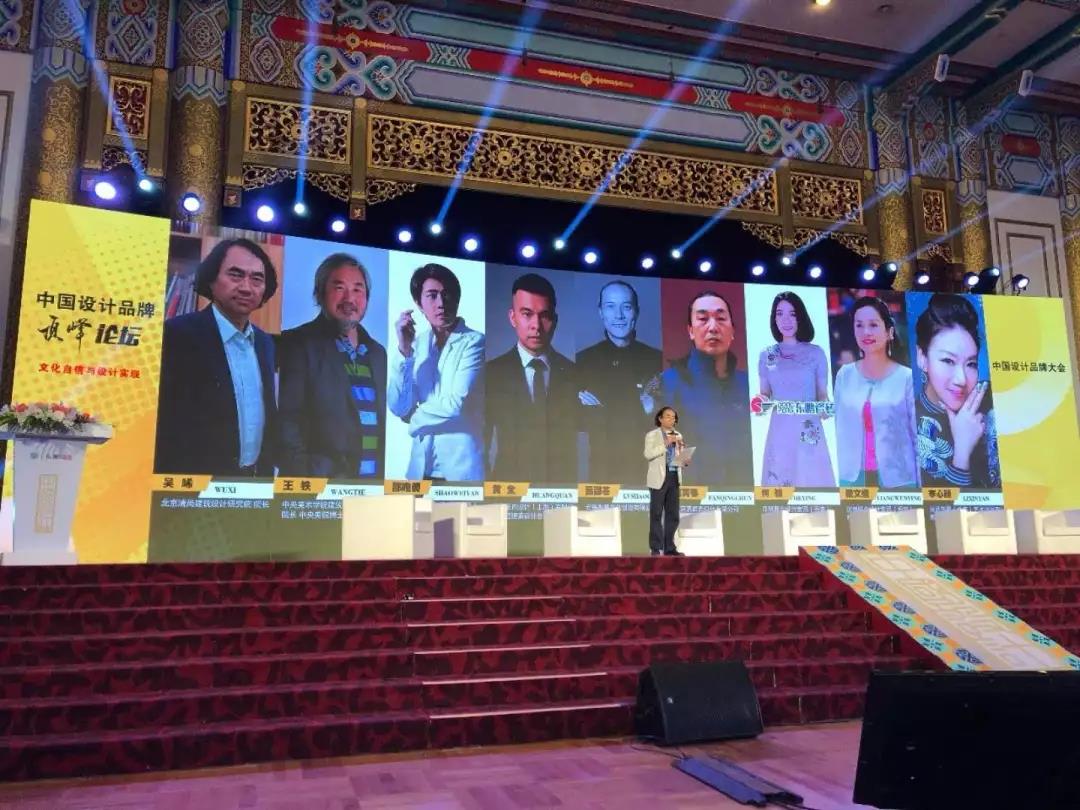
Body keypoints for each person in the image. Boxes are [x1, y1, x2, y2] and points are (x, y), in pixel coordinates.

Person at [154, 238, 278, 477]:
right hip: (194, 481)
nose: (246, 287)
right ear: (211, 279)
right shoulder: (176, 335)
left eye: (257, 279)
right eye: (236, 275)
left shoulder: (264, 343)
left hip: (253, 479)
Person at [277, 253, 387, 478]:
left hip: (373, 489)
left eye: (357, 289)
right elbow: (286, 420)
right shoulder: (297, 343)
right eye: (339, 288)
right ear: (319, 293)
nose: (349, 298)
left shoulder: (378, 353)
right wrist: (308, 474)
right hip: (319, 487)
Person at [388, 263, 484, 480]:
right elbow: (399, 406)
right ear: (419, 304)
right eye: (432, 296)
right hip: (420, 468)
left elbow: (456, 404)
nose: (441, 303)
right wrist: (404, 350)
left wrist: (413, 418)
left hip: (461, 470)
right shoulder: (417, 344)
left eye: (447, 294)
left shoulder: (475, 342)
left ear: (457, 299)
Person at [485, 273, 577, 483]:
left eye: (544, 315)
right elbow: (480, 443)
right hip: (505, 491)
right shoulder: (491, 373)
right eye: (527, 314)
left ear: (555, 320)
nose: (536, 325)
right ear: (512, 318)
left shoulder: (575, 374)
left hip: (563, 491)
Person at [655, 290, 751, 488]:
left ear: (733, 330)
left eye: (721, 319)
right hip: (690, 495)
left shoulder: (749, 385)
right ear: (690, 331)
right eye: (703, 319)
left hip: (745, 495)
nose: (713, 327)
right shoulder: (667, 384)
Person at [576, 280, 661, 484]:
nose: (619, 315)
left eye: (626, 307)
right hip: (601, 477)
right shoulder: (582, 362)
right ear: (600, 312)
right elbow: (580, 421)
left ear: (636, 312)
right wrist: (641, 408)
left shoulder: (658, 360)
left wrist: (603, 408)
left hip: (649, 476)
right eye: (610, 307)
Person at [914, 294, 999, 489]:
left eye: (971, 364)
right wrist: (962, 451)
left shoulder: (994, 401)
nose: (961, 380)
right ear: (922, 358)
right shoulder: (905, 419)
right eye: (948, 361)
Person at [833, 297, 918, 488]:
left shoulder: (906, 377)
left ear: (890, 332)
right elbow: (836, 426)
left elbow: (917, 436)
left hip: (900, 480)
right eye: (859, 325)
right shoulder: (845, 375)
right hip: (850, 479)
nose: (866, 332)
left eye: (873, 325)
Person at [756, 291, 835, 487]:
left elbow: (822, 395)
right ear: (774, 318)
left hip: (808, 428)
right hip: (780, 429)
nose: (786, 320)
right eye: (780, 313)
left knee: (811, 483)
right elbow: (765, 394)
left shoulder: (816, 353)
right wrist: (759, 403)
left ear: (800, 317)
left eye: (792, 314)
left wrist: (826, 408)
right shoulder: (767, 355)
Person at [644, 406, 686, 556]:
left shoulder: (678, 435)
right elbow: (648, 454)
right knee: (656, 513)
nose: (671, 419)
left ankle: (670, 548)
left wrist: (684, 459)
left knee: (673, 514)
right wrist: (665, 443)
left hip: (674, 476)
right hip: (659, 478)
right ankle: (655, 548)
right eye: (668, 416)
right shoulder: (652, 435)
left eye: (673, 417)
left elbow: (680, 457)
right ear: (660, 418)